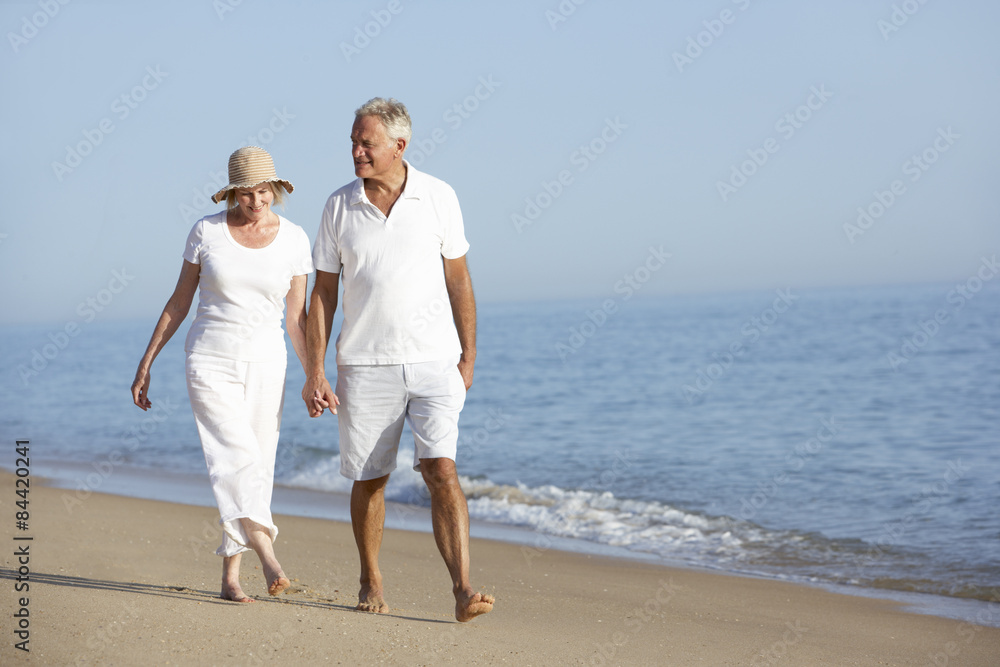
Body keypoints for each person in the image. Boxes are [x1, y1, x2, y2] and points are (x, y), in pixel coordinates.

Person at [302, 97, 494, 622]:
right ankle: (370, 577)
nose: (357, 151)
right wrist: (315, 370)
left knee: (442, 469)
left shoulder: (439, 196)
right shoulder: (338, 206)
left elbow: (459, 278)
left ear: (399, 146)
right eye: (354, 142)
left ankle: (462, 589)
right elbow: (322, 293)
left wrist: (469, 357)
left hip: (436, 361)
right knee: (371, 478)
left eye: (367, 143)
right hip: (364, 365)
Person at [131, 146, 313, 603]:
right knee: (232, 455)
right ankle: (268, 554)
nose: (256, 201)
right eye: (247, 192)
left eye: (264, 191)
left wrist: (316, 376)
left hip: (269, 362)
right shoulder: (206, 232)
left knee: (257, 462)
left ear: (276, 190)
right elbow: (179, 301)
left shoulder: (294, 239)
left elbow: (297, 318)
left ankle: (231, 577)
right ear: (232, 193)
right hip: (210, 359)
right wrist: (147, 361)